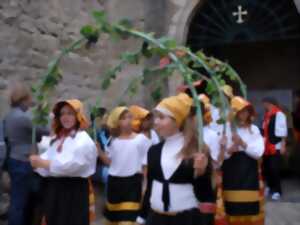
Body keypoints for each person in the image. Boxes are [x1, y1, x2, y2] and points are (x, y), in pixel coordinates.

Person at [136, 93, 209, 225]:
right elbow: (150, 186)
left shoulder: (197, 151)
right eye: (156, 117)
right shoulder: (154, 151)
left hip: (186, 219)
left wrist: (201, 173)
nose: (156, 122)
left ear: (177, 120)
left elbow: (205, 194)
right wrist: (142, 215)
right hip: (155, 218)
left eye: (162, 117)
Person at [29, 99, 97, 225]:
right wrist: (37, 164)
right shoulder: (59, 138)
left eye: (70, 113)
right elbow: (48, 158)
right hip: (56, 189)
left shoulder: (83, 140)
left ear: (78, 115)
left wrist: (45, 164)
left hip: (73, 191)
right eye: (62, 114)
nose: (65, 117)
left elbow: (75, 165)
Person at [4, 83, 49, 225]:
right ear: (23, 99)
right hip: (23, 161)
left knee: (19, 199)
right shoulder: (24, 117)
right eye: (29, 99)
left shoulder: (10, 114)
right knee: (20, 202)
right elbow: (45, 130)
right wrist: (43, 113)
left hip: (14, 158)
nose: (31, 102)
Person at [98, 106, 152, 225]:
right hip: (114, 184)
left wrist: (145, 185)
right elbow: (109, 162)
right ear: (117, 122)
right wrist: (99, 151)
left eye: (129, 117)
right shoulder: (113, 141)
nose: (127, 120)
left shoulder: (141, 139)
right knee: (114, 220)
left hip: (132, 184)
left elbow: (146, 165)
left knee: (128, 220)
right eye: (123, 118)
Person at [222, 96, 265, 225]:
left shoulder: (254, 130)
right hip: (231, 171)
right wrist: (230, 150)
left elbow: (258, 153)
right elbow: (221, 157)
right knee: (232, 207)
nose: (243, 114)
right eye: (240, 111)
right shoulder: (227, 130)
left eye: (246, 111)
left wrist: (242, 144)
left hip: (248, 172)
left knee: (249, 207)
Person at [262, 97, 288, 201]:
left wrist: (283, 144)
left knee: (274, 169)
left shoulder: (279, 114)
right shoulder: (267, 115)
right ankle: (269, 187)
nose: (263, 106)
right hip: (267, 145)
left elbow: (283, 131)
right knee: (267, 168)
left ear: (269, 103)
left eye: (264, 103)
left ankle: (277, 190)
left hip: (275, 145)